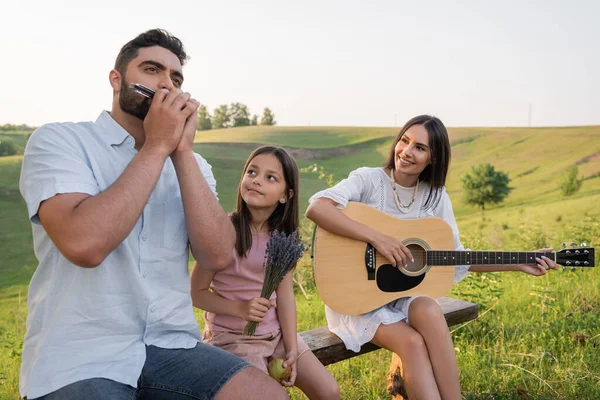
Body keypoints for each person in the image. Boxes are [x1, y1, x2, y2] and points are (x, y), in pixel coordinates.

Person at [18, 29, 288, 400]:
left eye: (176, 79)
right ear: (117, 80)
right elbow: (85, 245)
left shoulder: (193, 166)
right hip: (79, 355)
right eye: (151, 70)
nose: (166, 84)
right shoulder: (61, 141)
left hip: (171, 347)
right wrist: (158, 144)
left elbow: (218, 255)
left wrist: (181, 152)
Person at [305, 114, 557, 400]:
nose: (407, 152)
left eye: (420, 148)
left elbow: (457, 258)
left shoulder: (435, 197)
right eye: (405, 141)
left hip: (399, 295)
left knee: (427, 308)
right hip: (358, 298)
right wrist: (377, 238)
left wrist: (519, 262)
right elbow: (317, 208)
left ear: (433, 158)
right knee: (411, 342)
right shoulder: (368, 180)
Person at [191, 146, 340, 400]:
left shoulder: (283, 239)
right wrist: (240, 309)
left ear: (286, 195)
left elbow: (285, 298)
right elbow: (196, 293)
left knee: (329, 391)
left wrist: (292, 348)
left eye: (271, 177)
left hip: (276, 336)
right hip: (233, 340)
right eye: (252, 172)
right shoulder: (223, 231)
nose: (256, 180)